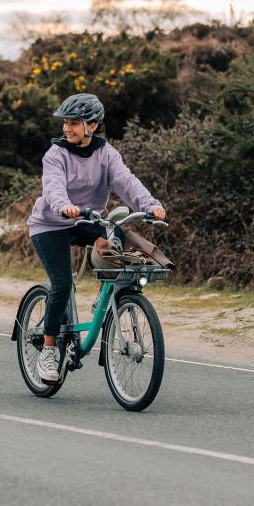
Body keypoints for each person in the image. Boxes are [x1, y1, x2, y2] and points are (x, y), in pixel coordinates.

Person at [27, 93, 166, 382]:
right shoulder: (56, 154)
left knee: (112, 252)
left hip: (88, 220)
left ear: (92, 126)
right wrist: (63, 205)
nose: (67, 129)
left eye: (74, 123)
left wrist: (150, 205)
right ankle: (49, 351)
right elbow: (53, 186)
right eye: (66, 123)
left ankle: (108, 302)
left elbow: (126, 182)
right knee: (62, 284)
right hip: (51, 223)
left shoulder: (107, 154)